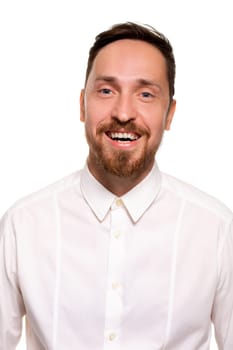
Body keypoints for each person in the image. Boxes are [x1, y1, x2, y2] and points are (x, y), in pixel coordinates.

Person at [0, 22, 232, 350]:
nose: (123, 112)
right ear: (82, 104)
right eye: (107, 91)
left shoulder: (217, 230)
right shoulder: (22, 225)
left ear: (170, 114)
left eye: (146, 94)